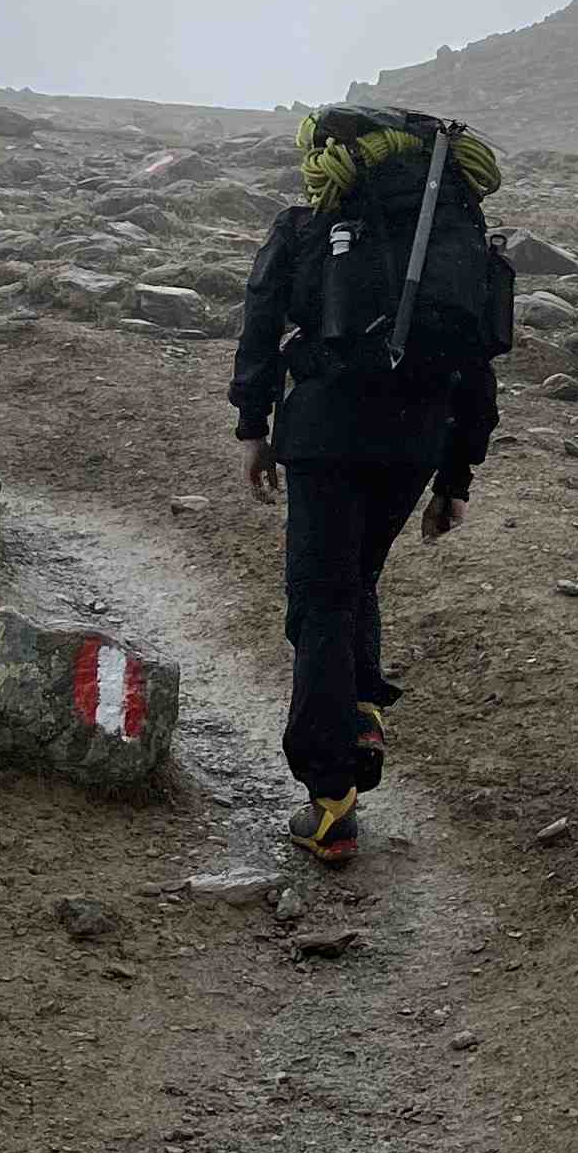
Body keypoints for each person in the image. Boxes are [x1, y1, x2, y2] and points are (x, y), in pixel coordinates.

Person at [228, 106, 510, 868]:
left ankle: (330, 802)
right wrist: (456, 476)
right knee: (356, 579)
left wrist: (253, 426)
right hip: (414, 443)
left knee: (319, 601)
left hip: (324, 435)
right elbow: (475, 362)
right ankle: (358, 710)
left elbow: (259, 324)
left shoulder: (304, 228)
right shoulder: (453, 243)